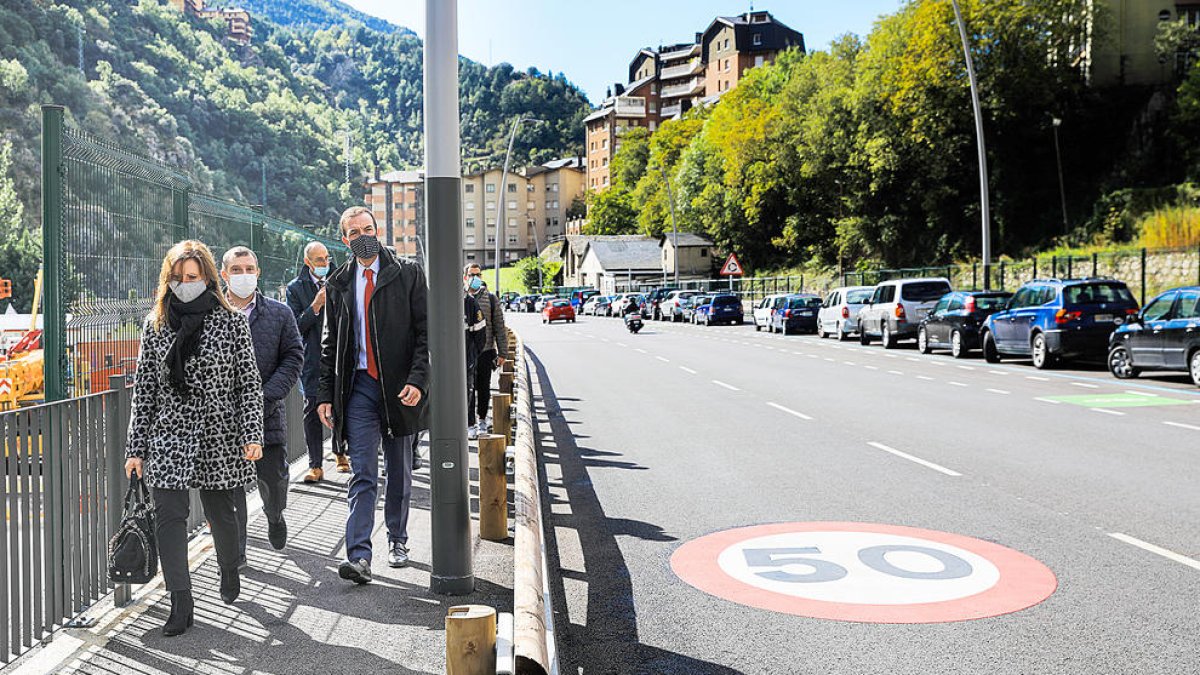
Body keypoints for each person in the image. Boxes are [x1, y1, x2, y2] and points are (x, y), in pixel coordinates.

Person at [123, 240, 263, 637]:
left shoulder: (232, 322)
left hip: (221, 431)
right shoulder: (156, 325)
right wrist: (136, 448)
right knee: (170, 516)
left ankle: (229, 565)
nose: (184, 284)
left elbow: (249, 385)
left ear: (207, 279)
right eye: (177, 278)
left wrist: (252, 433)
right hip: (170, 432)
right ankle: (180, 601)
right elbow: (145, 389)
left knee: (222, 514)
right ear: (168, 280)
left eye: (192, 277)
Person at [318, 206, 429, 584]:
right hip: (360, 387)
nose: (363, 236)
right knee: (363, 471)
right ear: (345, 239)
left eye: (368, 228)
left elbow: (424, 334)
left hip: (398, 387)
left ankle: (397, 539)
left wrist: (417, 380)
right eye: (354, 232)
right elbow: (329, 343)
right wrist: (324, 395)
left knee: (398, 469)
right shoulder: (338, 283)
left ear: (378, 231)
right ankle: (359, 556)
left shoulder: (408, 273)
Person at [222, 246, 303, 564]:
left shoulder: (280, 314)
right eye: (237, 269)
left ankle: (274, 515)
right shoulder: (212, 315)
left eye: (249, 268)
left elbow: (294, 356)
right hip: (224, 420)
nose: (244, 275)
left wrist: (266, 394)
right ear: (224, 273)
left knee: (273, 481)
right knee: (229, 490)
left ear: (258, 272)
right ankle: (235, 554)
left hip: (267, 413)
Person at [286, 241, 351, 483]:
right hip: (312, 358)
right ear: (307, 263)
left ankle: (340, 451)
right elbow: (294, 327)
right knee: (312, 409)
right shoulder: (296, 289)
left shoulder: (340, 281)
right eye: (319, 260)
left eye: (326, 258)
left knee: (341, 404)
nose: (325, 264)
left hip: (339, 355)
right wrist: (315, 306)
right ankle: (315, 465)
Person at [464, 264, 507, 440]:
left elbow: (499, 325)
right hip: (467, 352)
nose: (475, 277)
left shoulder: (490, 298)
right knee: (468, 388)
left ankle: (482, 419)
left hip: (486, 350)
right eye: (471, 274)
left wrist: (502, 352)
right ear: (465, 276)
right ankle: (470, 423)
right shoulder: (462, 298)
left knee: (483, 387)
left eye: (478, 274)